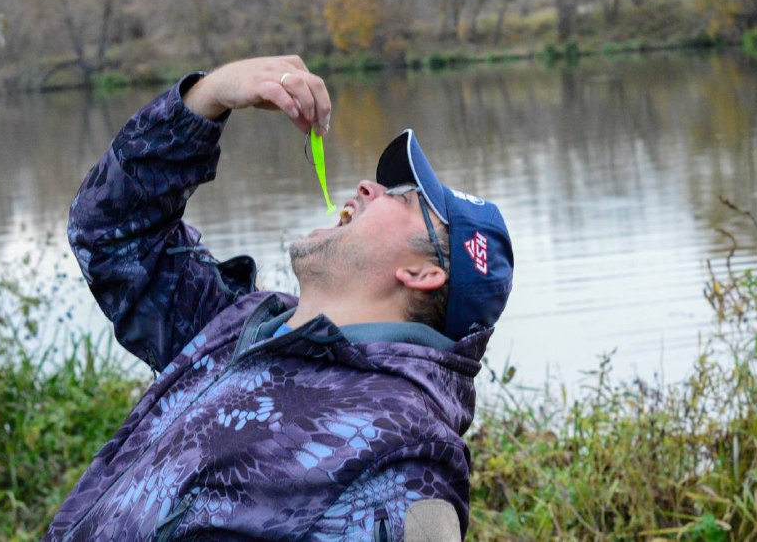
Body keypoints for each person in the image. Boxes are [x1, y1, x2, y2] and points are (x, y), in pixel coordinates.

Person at [44, 55, 513, 541]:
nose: (368, 186)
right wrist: (208, 98)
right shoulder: (234, 324)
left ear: (422, 272)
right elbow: (110, 235)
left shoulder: (408, 458)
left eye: (401, 198)